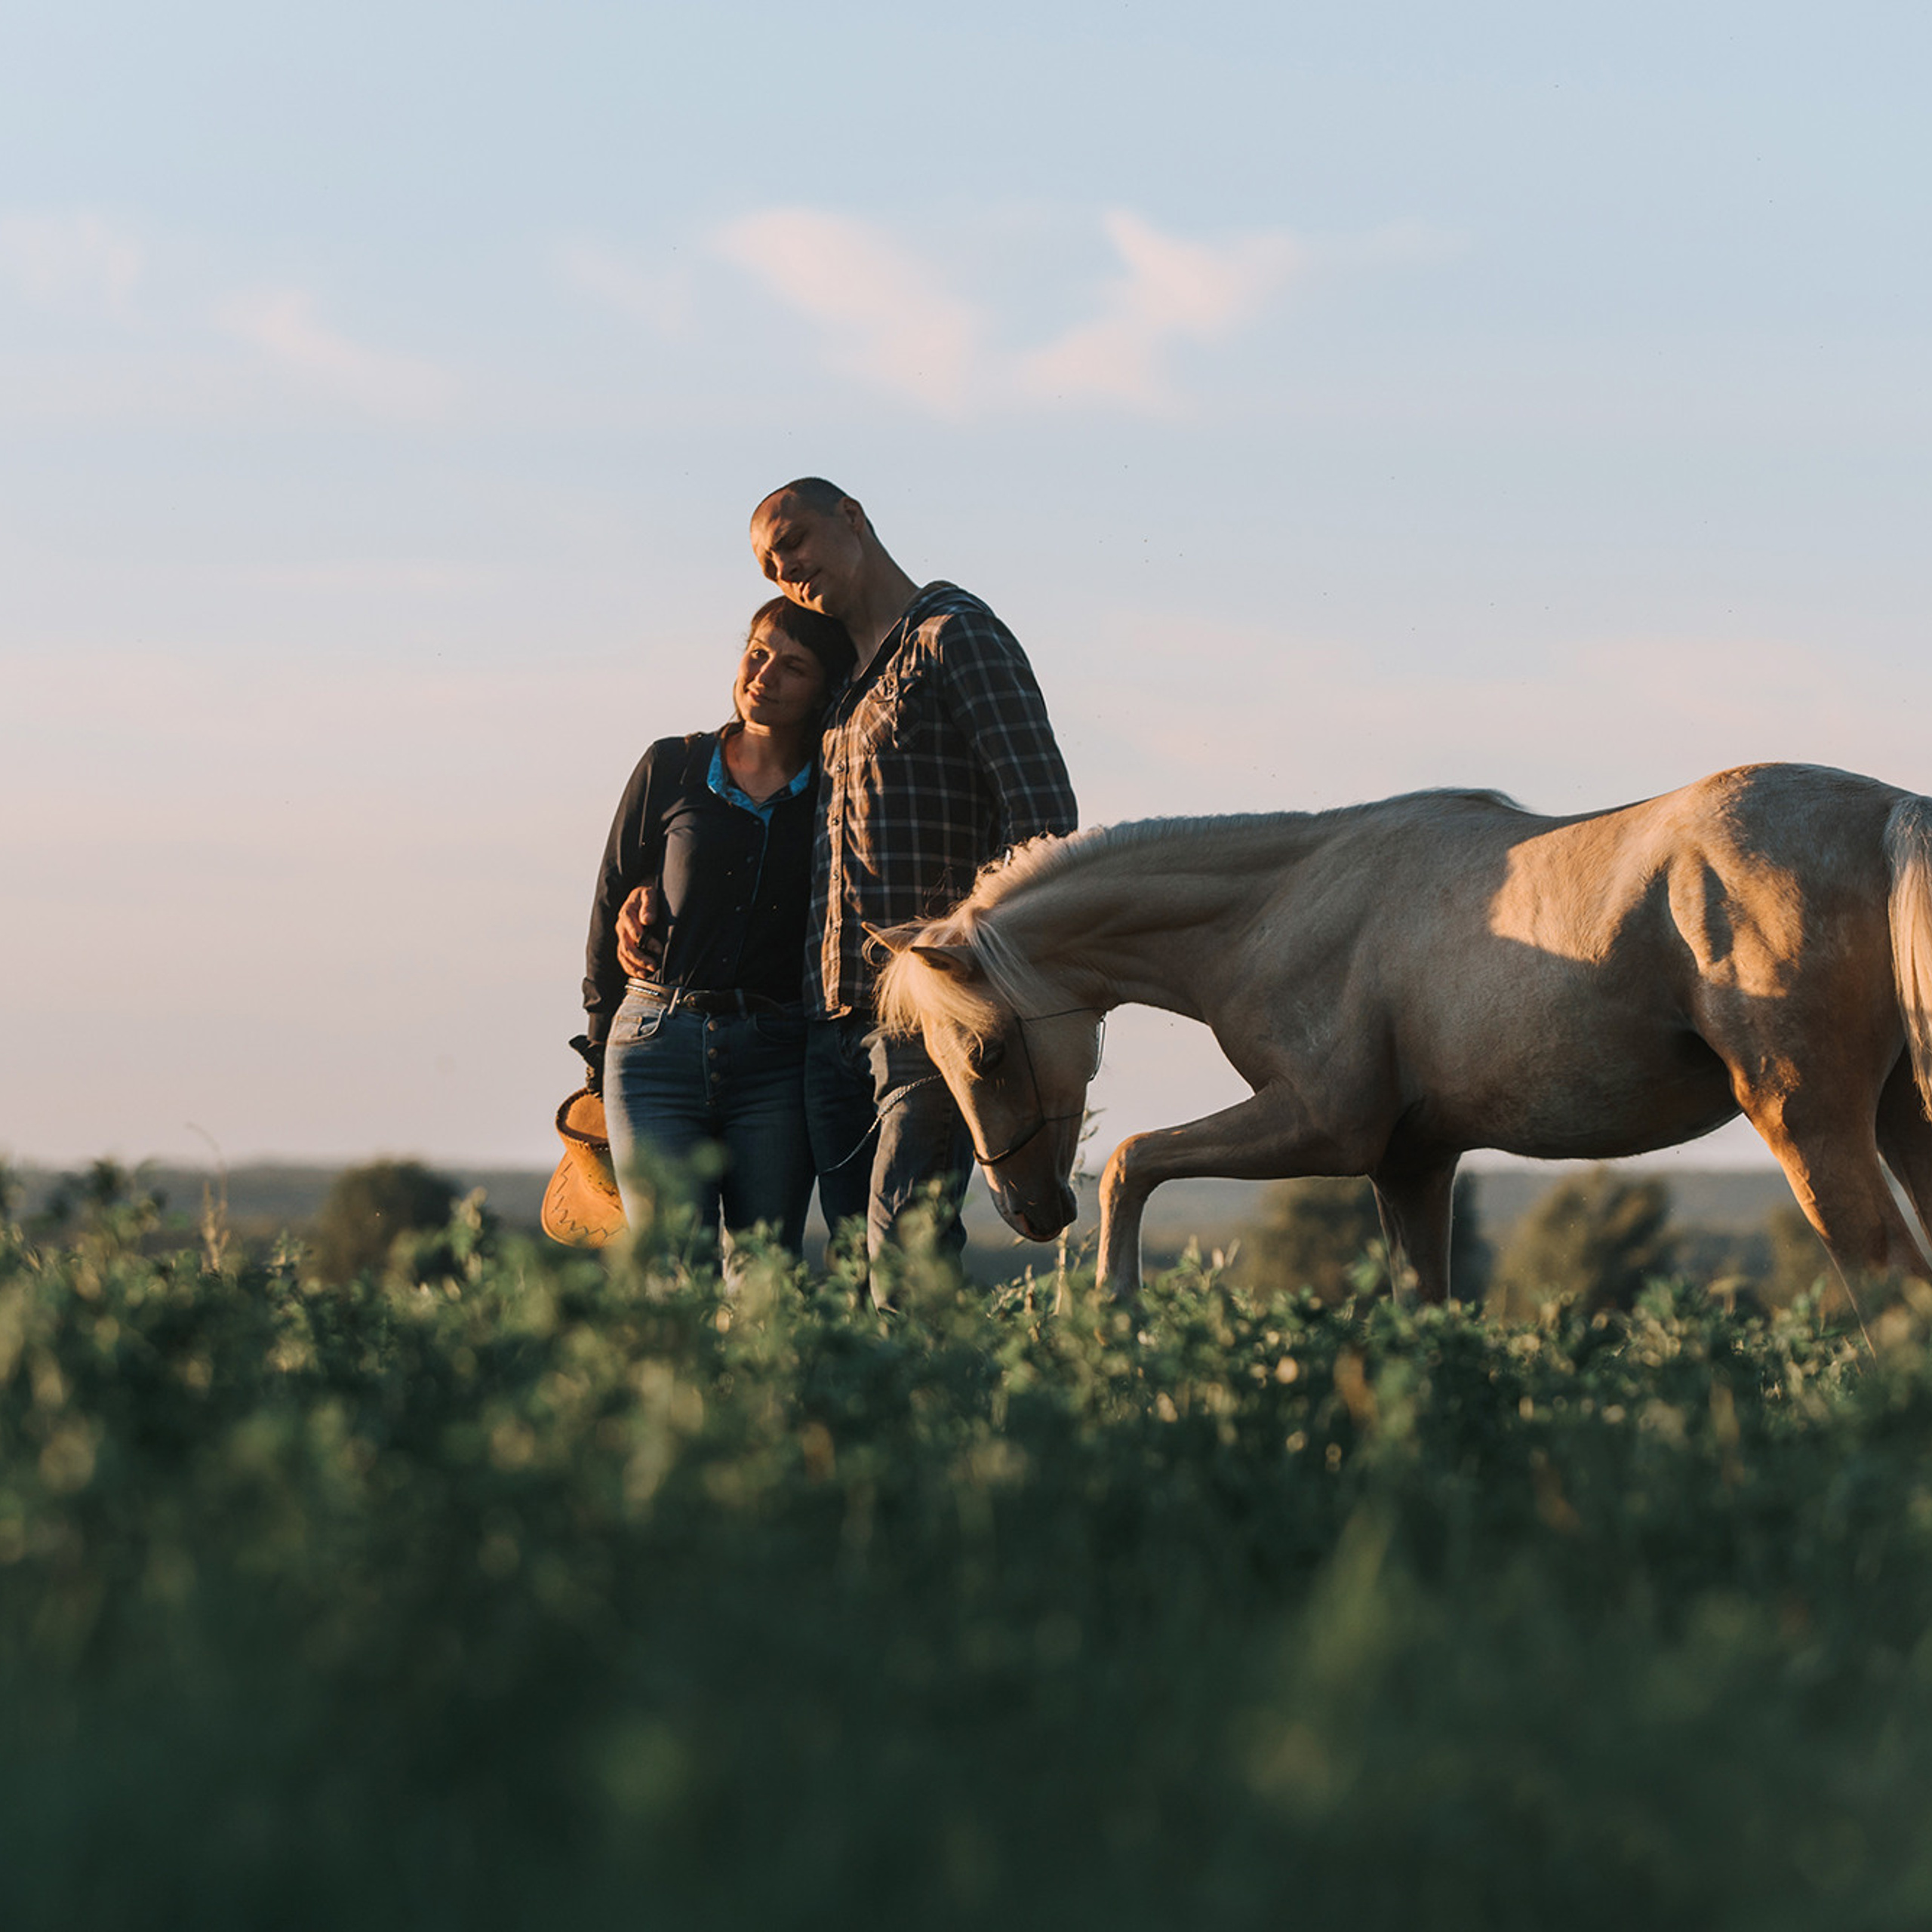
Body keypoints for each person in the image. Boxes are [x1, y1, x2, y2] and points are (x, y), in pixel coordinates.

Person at [743, 476, 1078, 1288]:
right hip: (827, 1021)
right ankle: (877, 1419)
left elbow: (1044, 825)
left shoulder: (954, 635)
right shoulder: (837, 686)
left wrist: (967, 974)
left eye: (793, 543)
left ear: (851, 517)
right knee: (857, 1273)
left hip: (926, 1021)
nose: (785, 569)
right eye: (768, 566)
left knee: (907, 1258)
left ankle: (939, 1413)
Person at [582, 597, 854, 1251]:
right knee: (674, 1272)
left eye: (793, 667)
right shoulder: (671, 765)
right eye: (757, 653)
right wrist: (595, 1048)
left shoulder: (840, 789)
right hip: (655, 1045)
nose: (764, 675)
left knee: (765, 1273)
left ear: (825, 689)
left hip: (778, 1057)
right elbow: (610, 899)